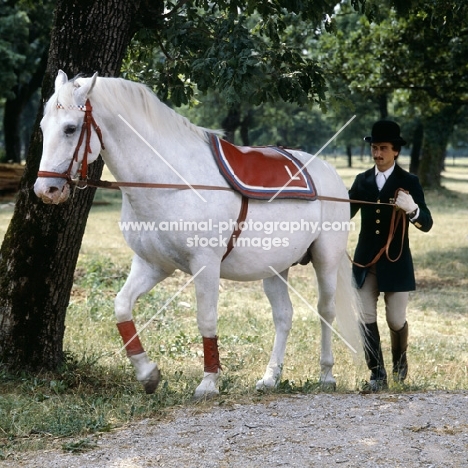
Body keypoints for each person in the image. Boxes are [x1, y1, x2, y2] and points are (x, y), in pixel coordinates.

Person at [349, 120, 433, 391]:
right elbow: (342, 215)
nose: (377, 154)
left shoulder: (409, 182)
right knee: (365, 315)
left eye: (383, 148)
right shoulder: (361, 181)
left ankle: (400, 359)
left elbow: (427, 223)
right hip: (365, 262)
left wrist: (413, 210)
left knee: (396, 319)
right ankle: (377, 375)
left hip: (396, 262)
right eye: (374, 148)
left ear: (395, 151)